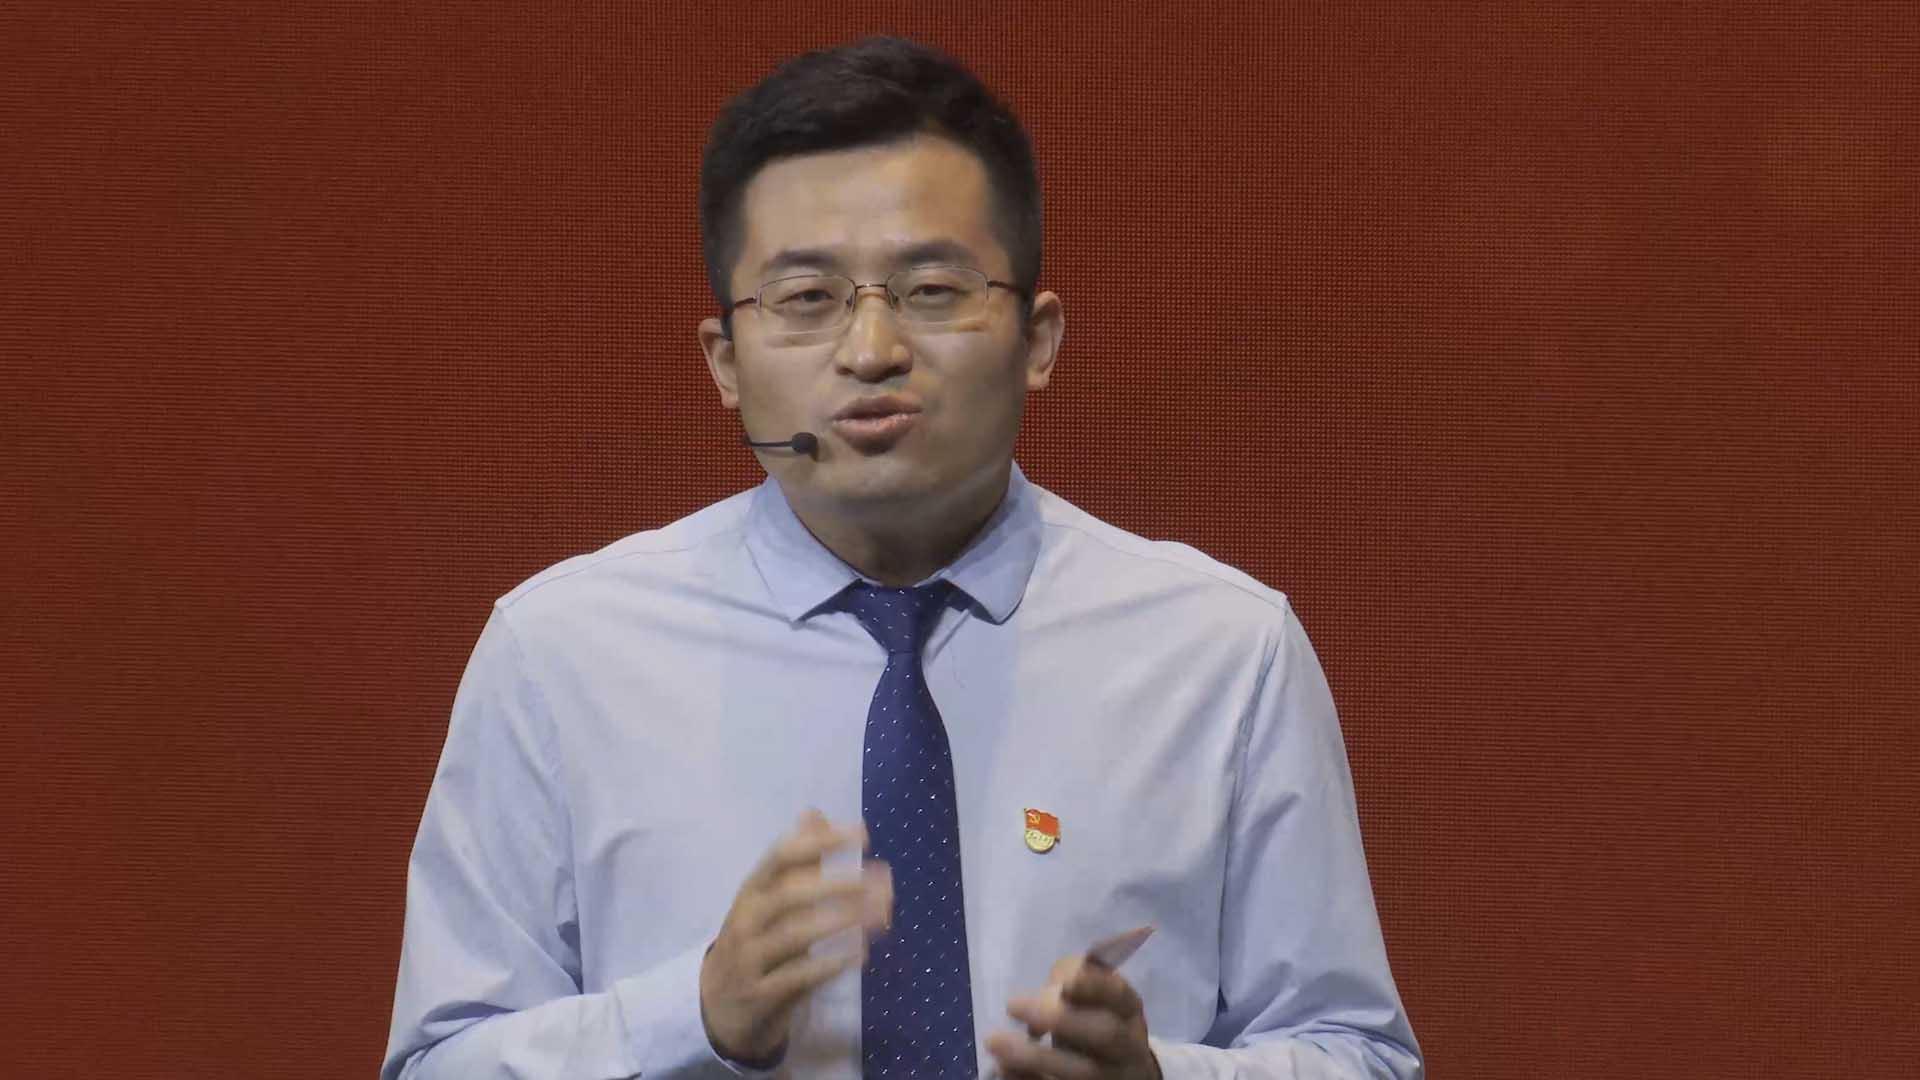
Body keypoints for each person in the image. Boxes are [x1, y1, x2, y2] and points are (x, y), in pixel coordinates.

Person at [382, 35, 1422, 1080]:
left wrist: (1159, 1079)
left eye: (931, 290)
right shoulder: (561, 656)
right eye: (806, 299)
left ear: (1038, 339)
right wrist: (691, 1016)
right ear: (725, 363)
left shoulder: (1221, 653)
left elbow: (1360, 1054)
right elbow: (438, 1061)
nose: (872, 351)